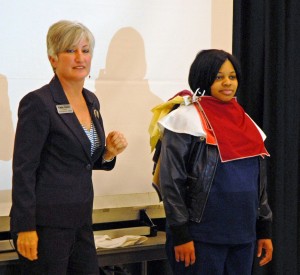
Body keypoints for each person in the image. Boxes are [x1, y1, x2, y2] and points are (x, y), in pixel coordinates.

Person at [10, 20, 127, 274]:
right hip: (45, 226)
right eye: (70, 50)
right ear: (53, 58)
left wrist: (108, 153)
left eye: (85, 50)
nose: (79, 57)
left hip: (81, 221)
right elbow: (24, 170)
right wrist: (25, 227)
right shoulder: (38, 103)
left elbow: (83, 160)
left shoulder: (91, 100)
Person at [154, 49, 273, 274]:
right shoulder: (183, 119)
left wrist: (263, 227)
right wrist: (180, 233)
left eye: (232, 76)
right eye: (218, 77)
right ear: (203, 77)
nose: (227, 82)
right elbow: (171, 182)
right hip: (201, 237)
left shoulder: (247, 122)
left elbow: (259, 182)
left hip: (243, 236)